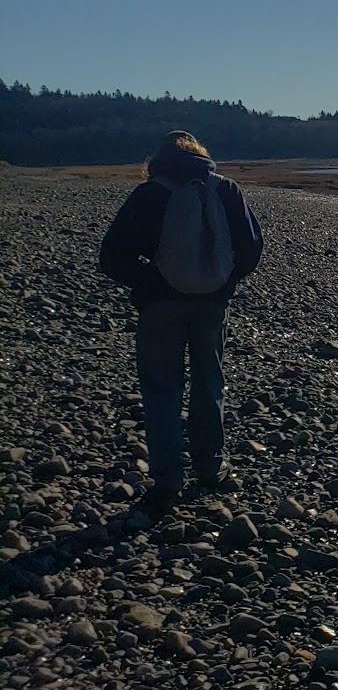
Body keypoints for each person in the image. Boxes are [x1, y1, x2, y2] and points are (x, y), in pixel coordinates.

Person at [99, 131, 263, 513]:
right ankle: (210, 468)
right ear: (202, 155)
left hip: (160, 307)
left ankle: (168, 479)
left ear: (158, 159)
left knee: (161, 391)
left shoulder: (149, 194)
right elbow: (252, 248)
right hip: (212, 306)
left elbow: (111, 257)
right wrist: (224, 283)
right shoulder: (227, 190)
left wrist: (150, 281)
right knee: (210, 384)